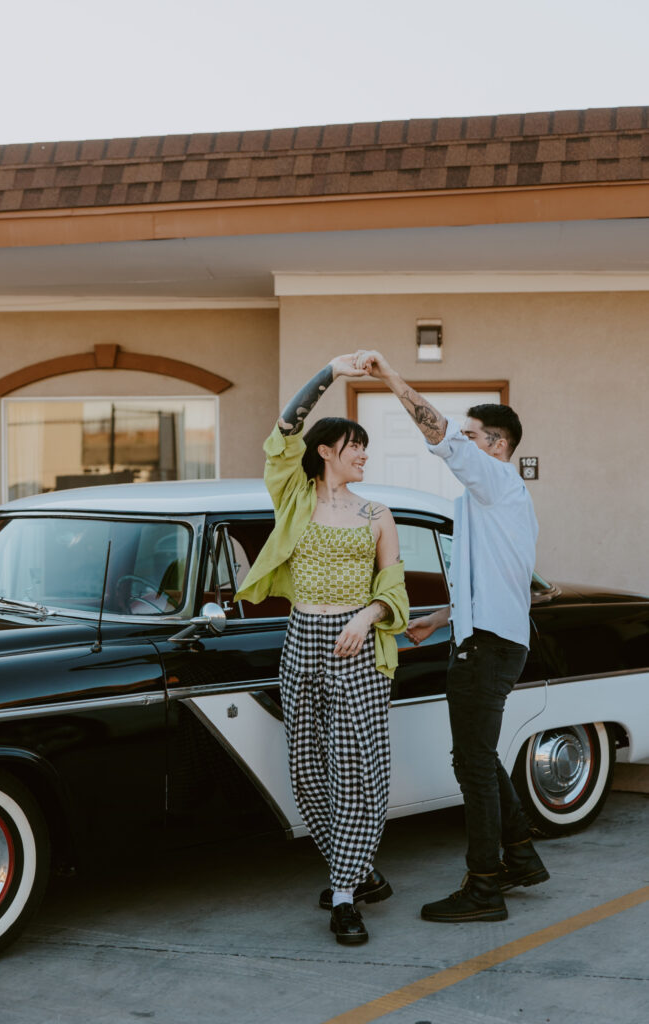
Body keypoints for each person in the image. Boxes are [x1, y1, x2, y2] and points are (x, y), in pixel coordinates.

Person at [353, 348, 548, 923]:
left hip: (488, 649)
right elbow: (497, 578)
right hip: (487, 638)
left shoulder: (495, 483)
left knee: (472, 764)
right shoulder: (484, 500)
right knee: (479, 757)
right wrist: (441, 618)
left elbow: (436, 430)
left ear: (496, 446)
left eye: (471, 435)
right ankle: (519, 857)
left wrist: (389, 375)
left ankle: (484, 887)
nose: (459, 441)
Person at [235, 354, 409, 945]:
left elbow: (394, 589)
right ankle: (357, 871)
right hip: (300, 641)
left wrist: (369, 613)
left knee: (358, 769)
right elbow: (284, 429)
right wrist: (333, 370)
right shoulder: (293, 496)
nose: (364, 455)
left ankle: (342, 896)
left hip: (355, 648)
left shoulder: (378, 515)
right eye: (355, 446)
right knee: (308, 769)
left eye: (365, 448)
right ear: (328, 450)